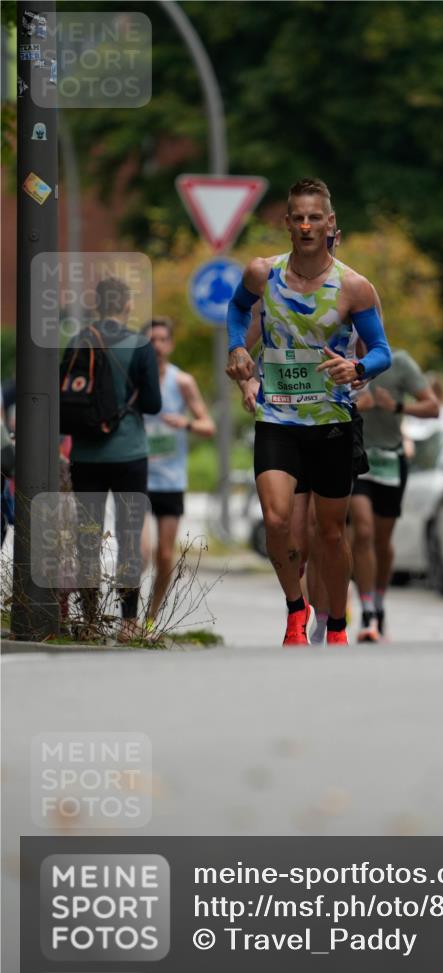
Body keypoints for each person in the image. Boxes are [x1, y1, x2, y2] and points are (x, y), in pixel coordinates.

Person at [226, 177, 391, 646]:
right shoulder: (263, 273)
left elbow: (382, 351)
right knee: (279, 523)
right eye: (297, 217)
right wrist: (238, 347)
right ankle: (296, 609)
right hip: (277, 417)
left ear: (329, 223)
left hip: (331, 422)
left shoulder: (354, 287)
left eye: (314, 217)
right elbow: (238, 310)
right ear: (287, 223)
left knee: (330, 534)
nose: (305, 225)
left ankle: (336, 624)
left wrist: (357, 367)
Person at [67, 278, 161, 642]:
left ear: (97, 304)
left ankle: (90, 620)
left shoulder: (78, 341)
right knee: (128, 536)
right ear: (126, 305)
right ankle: (128, 622)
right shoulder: (140, 345)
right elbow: (152, 404)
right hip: (128, 453)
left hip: (84, 454)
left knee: (87, 538)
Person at [350, 350, 439, 641]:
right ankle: (367, 612)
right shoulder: (340, 357)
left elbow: (433, 407)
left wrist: (398, 406)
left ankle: (378, 602)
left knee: (381, 540)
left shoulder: (398, 362)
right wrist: (354, 406)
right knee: (363, 531)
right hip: (356, 457)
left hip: (390, 459)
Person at [141, 317, 215, 626]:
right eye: (151, 340)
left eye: (162, 340)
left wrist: (185, 423)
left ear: (170, 344)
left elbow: (208, 426)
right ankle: (127, 615)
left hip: (171, 480)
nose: (157, 346)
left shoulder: (182, 382)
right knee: (141, 552)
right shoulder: (135, 379)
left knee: (165, 556)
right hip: (139, 476)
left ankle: (151, 617)